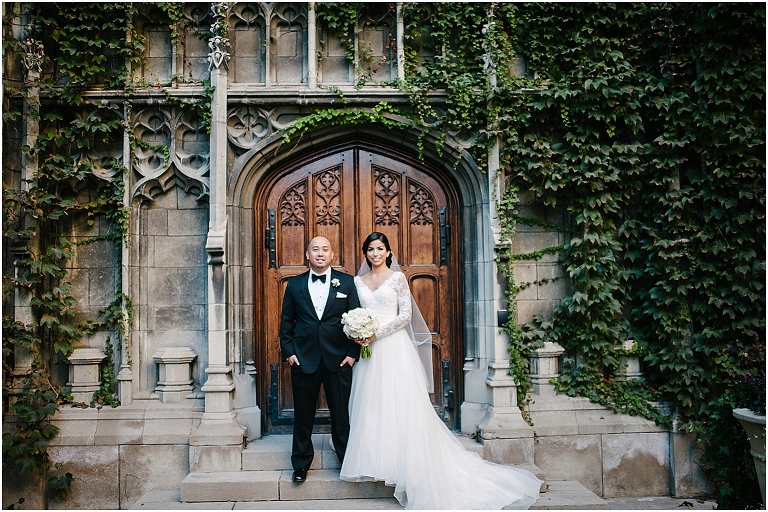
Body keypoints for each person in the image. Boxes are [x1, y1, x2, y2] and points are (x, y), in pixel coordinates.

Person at [340, 232, 543, 509]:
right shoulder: (357, 282)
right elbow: (354, 313)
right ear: (365, 253)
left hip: (394, 349)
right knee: (373, 404)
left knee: (401, 404)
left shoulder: (397, 278)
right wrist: (358, 331)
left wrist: (375, 332)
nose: (375, 253)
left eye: (380, 249)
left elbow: (405, 316)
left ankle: (406, 462)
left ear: (388, 252)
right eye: (370, 249)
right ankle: (380, 462)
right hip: (369, 353)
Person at [279, 236, 361, 483]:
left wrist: (352, 354)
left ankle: (347, 461)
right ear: (307, 255)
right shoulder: (294, 285)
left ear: (332, 255)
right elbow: (286, 323)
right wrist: (289, 352)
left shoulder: (346, 283)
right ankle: (301, 464)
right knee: (303, 416)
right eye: (315, 249)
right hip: (304, 359)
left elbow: (356, 317)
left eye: (325, 249)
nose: (320, 253)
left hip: (338, 360)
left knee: (341, 416)